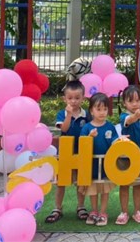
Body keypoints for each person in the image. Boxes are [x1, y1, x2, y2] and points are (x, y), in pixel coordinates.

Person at [45, 80, 90, 224]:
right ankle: (57, 208)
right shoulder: (62, 114)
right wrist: (69, 115)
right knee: (61, 181)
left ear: (83, 98)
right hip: (65, 153)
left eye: (77, 98)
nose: (74, 101)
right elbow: (64, 129)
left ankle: (81, 206)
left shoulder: (87, 114)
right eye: (70, 98)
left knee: (81, 181)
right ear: (65, 99)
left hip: (82, 152)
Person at [79, 92, 123, 226]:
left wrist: (120, 140)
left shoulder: (110, 126)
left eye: (105, 109)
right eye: (98, 109)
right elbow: (82, 144)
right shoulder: (87, 127)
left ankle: (103, 212)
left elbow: (114, 141)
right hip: (91, 164)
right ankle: (93, 211)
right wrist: (89, 137)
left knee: (105, 189)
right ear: (91, 110)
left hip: (106, 164)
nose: (102, 112)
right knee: (93, 188)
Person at [116, 85, 140, 225]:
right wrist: (135, 116)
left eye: (138, 100)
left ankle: (138, 210)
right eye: (131, 101)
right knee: (124, 185)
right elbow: (128, 121)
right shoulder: (124, 116)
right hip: (125, 157)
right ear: (124, 103)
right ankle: (124, 211)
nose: (135, 104)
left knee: (138, 185)